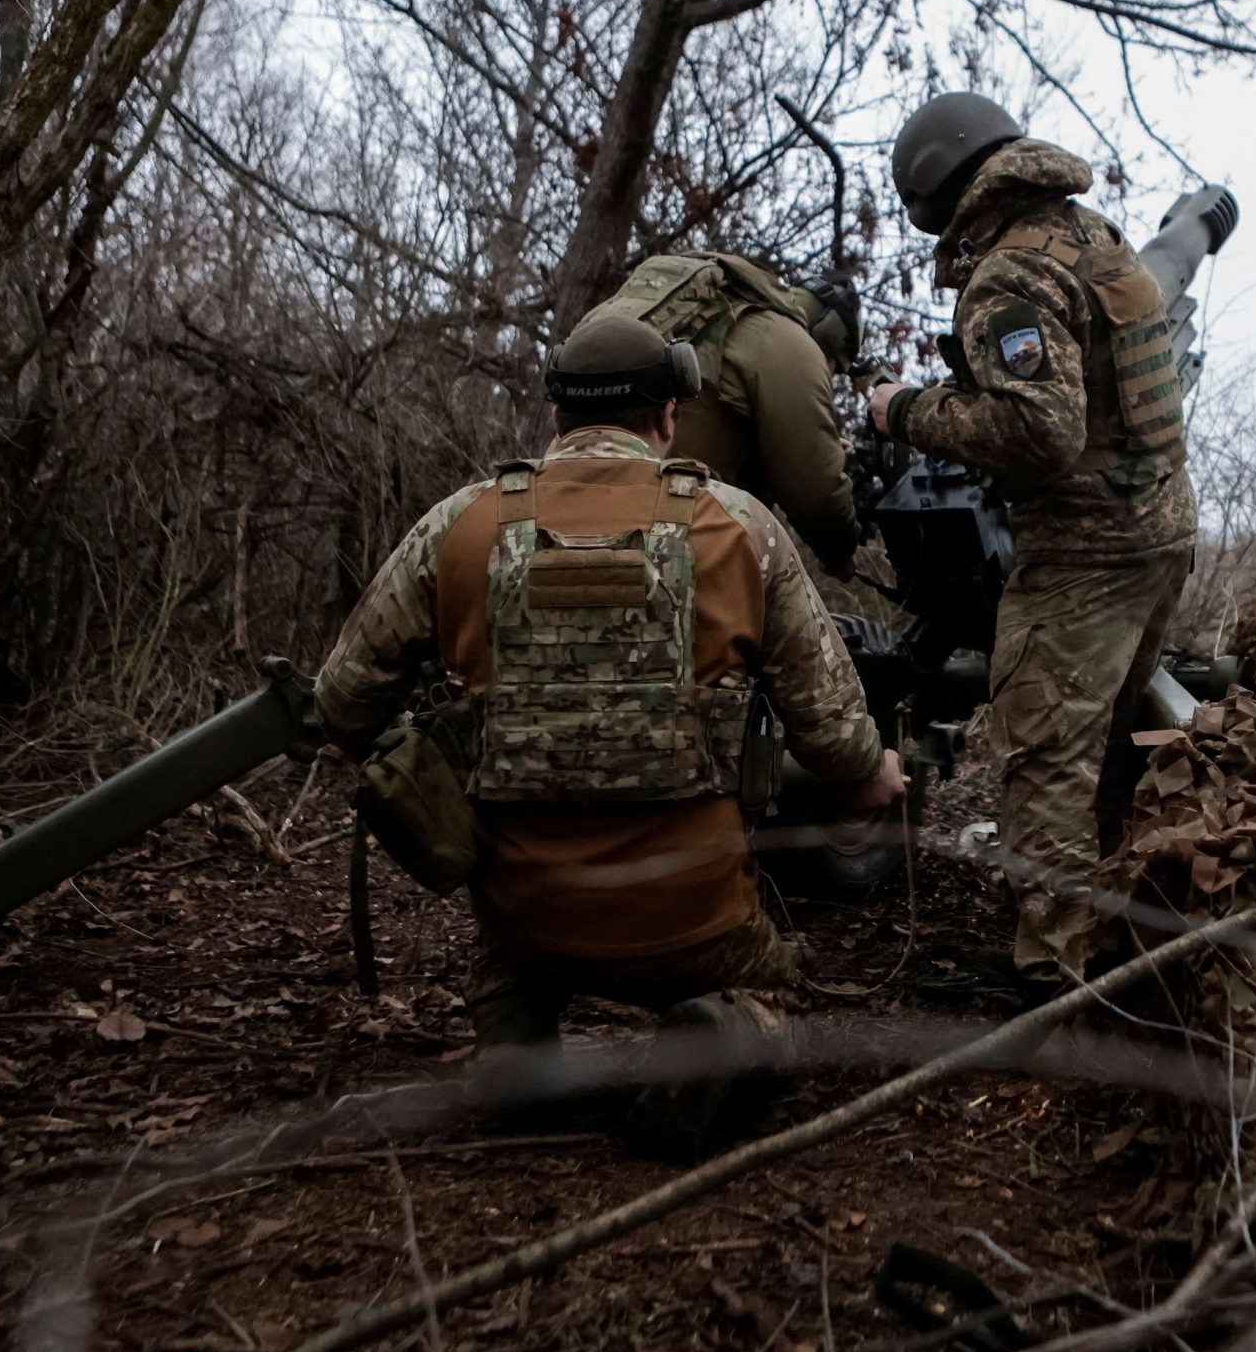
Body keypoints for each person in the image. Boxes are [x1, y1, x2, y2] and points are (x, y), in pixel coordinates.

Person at [316, 310, 904, 1077]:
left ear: (559, 416)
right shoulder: (739, 527)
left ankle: (514, 1026)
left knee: (510, 962)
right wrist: (874, 776)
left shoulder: (459, 525)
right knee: (770, 988)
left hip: (525, 915)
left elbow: (343, 700)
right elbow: (833, 736)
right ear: (669, 416)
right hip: (696, 920)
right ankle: (727, 1027)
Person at [867, 92, 1196, 984]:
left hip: (1083, 552)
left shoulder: (1009, 275)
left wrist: (906, 409)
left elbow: (1040, 432)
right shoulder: (1090, 236)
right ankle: (1130, 926)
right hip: (1158, 531)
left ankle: (1058, 974)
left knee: (1045, 755)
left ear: (935, 195)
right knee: (1114, 741)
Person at [573, 251, 865, 578]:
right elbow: (817, 495)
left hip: (567, 516)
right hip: (671, 544)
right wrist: (842, 554)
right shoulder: (787, 342)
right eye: (836, 366)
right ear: (830, 333)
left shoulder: (707, 313)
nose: (830, 374)